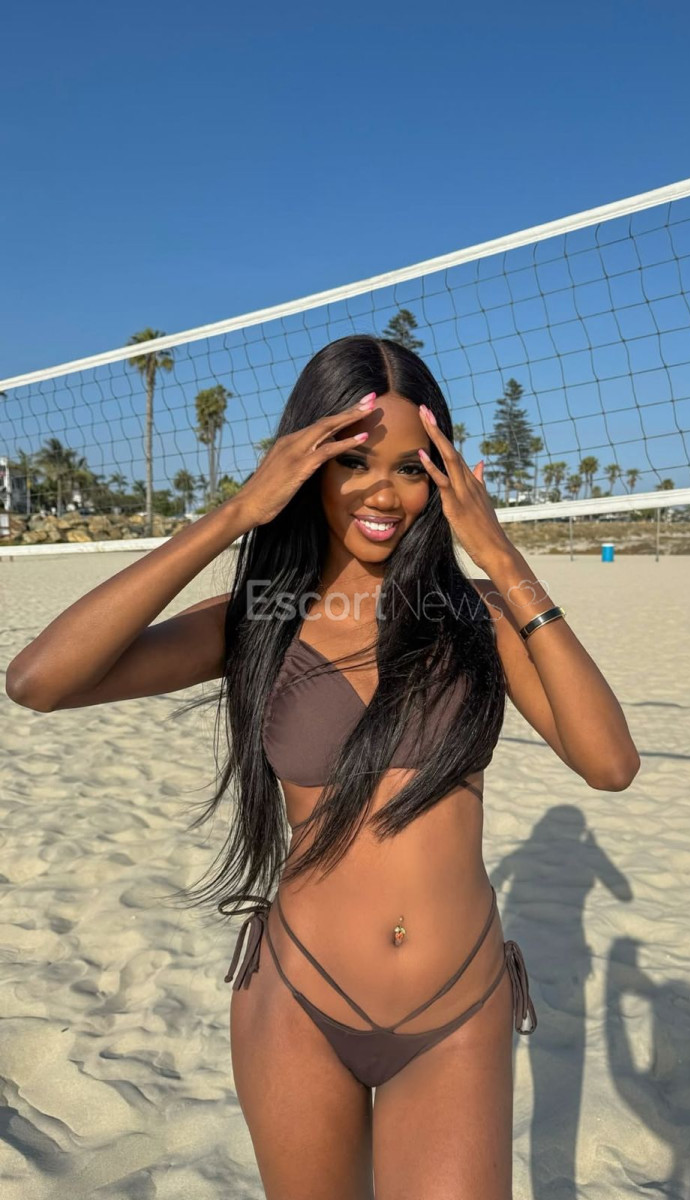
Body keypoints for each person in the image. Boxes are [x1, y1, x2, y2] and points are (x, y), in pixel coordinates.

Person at [6, 334, 640, 1199]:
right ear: (306, 466)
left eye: (411, 469)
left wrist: (500, 557)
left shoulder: (477, 615)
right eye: (353, 463)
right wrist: (235, 514)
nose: (384, 492)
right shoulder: (257, 619)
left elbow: (609, 762)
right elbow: (39, 682)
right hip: (298, 1004)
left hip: (455, 1011)